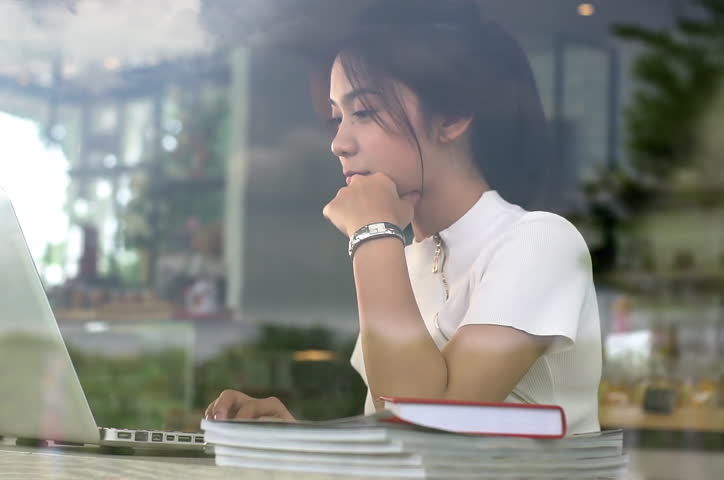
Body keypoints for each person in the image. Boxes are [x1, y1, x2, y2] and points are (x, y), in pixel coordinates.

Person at [205, 0, 602, 434]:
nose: (338, 142)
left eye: (365, 112)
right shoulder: (402, 257)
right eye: (337, 117)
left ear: (451, 116)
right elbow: (398, 440)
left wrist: (371, 232)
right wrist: (295, 438)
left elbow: (428, 428)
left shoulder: (540, 241)